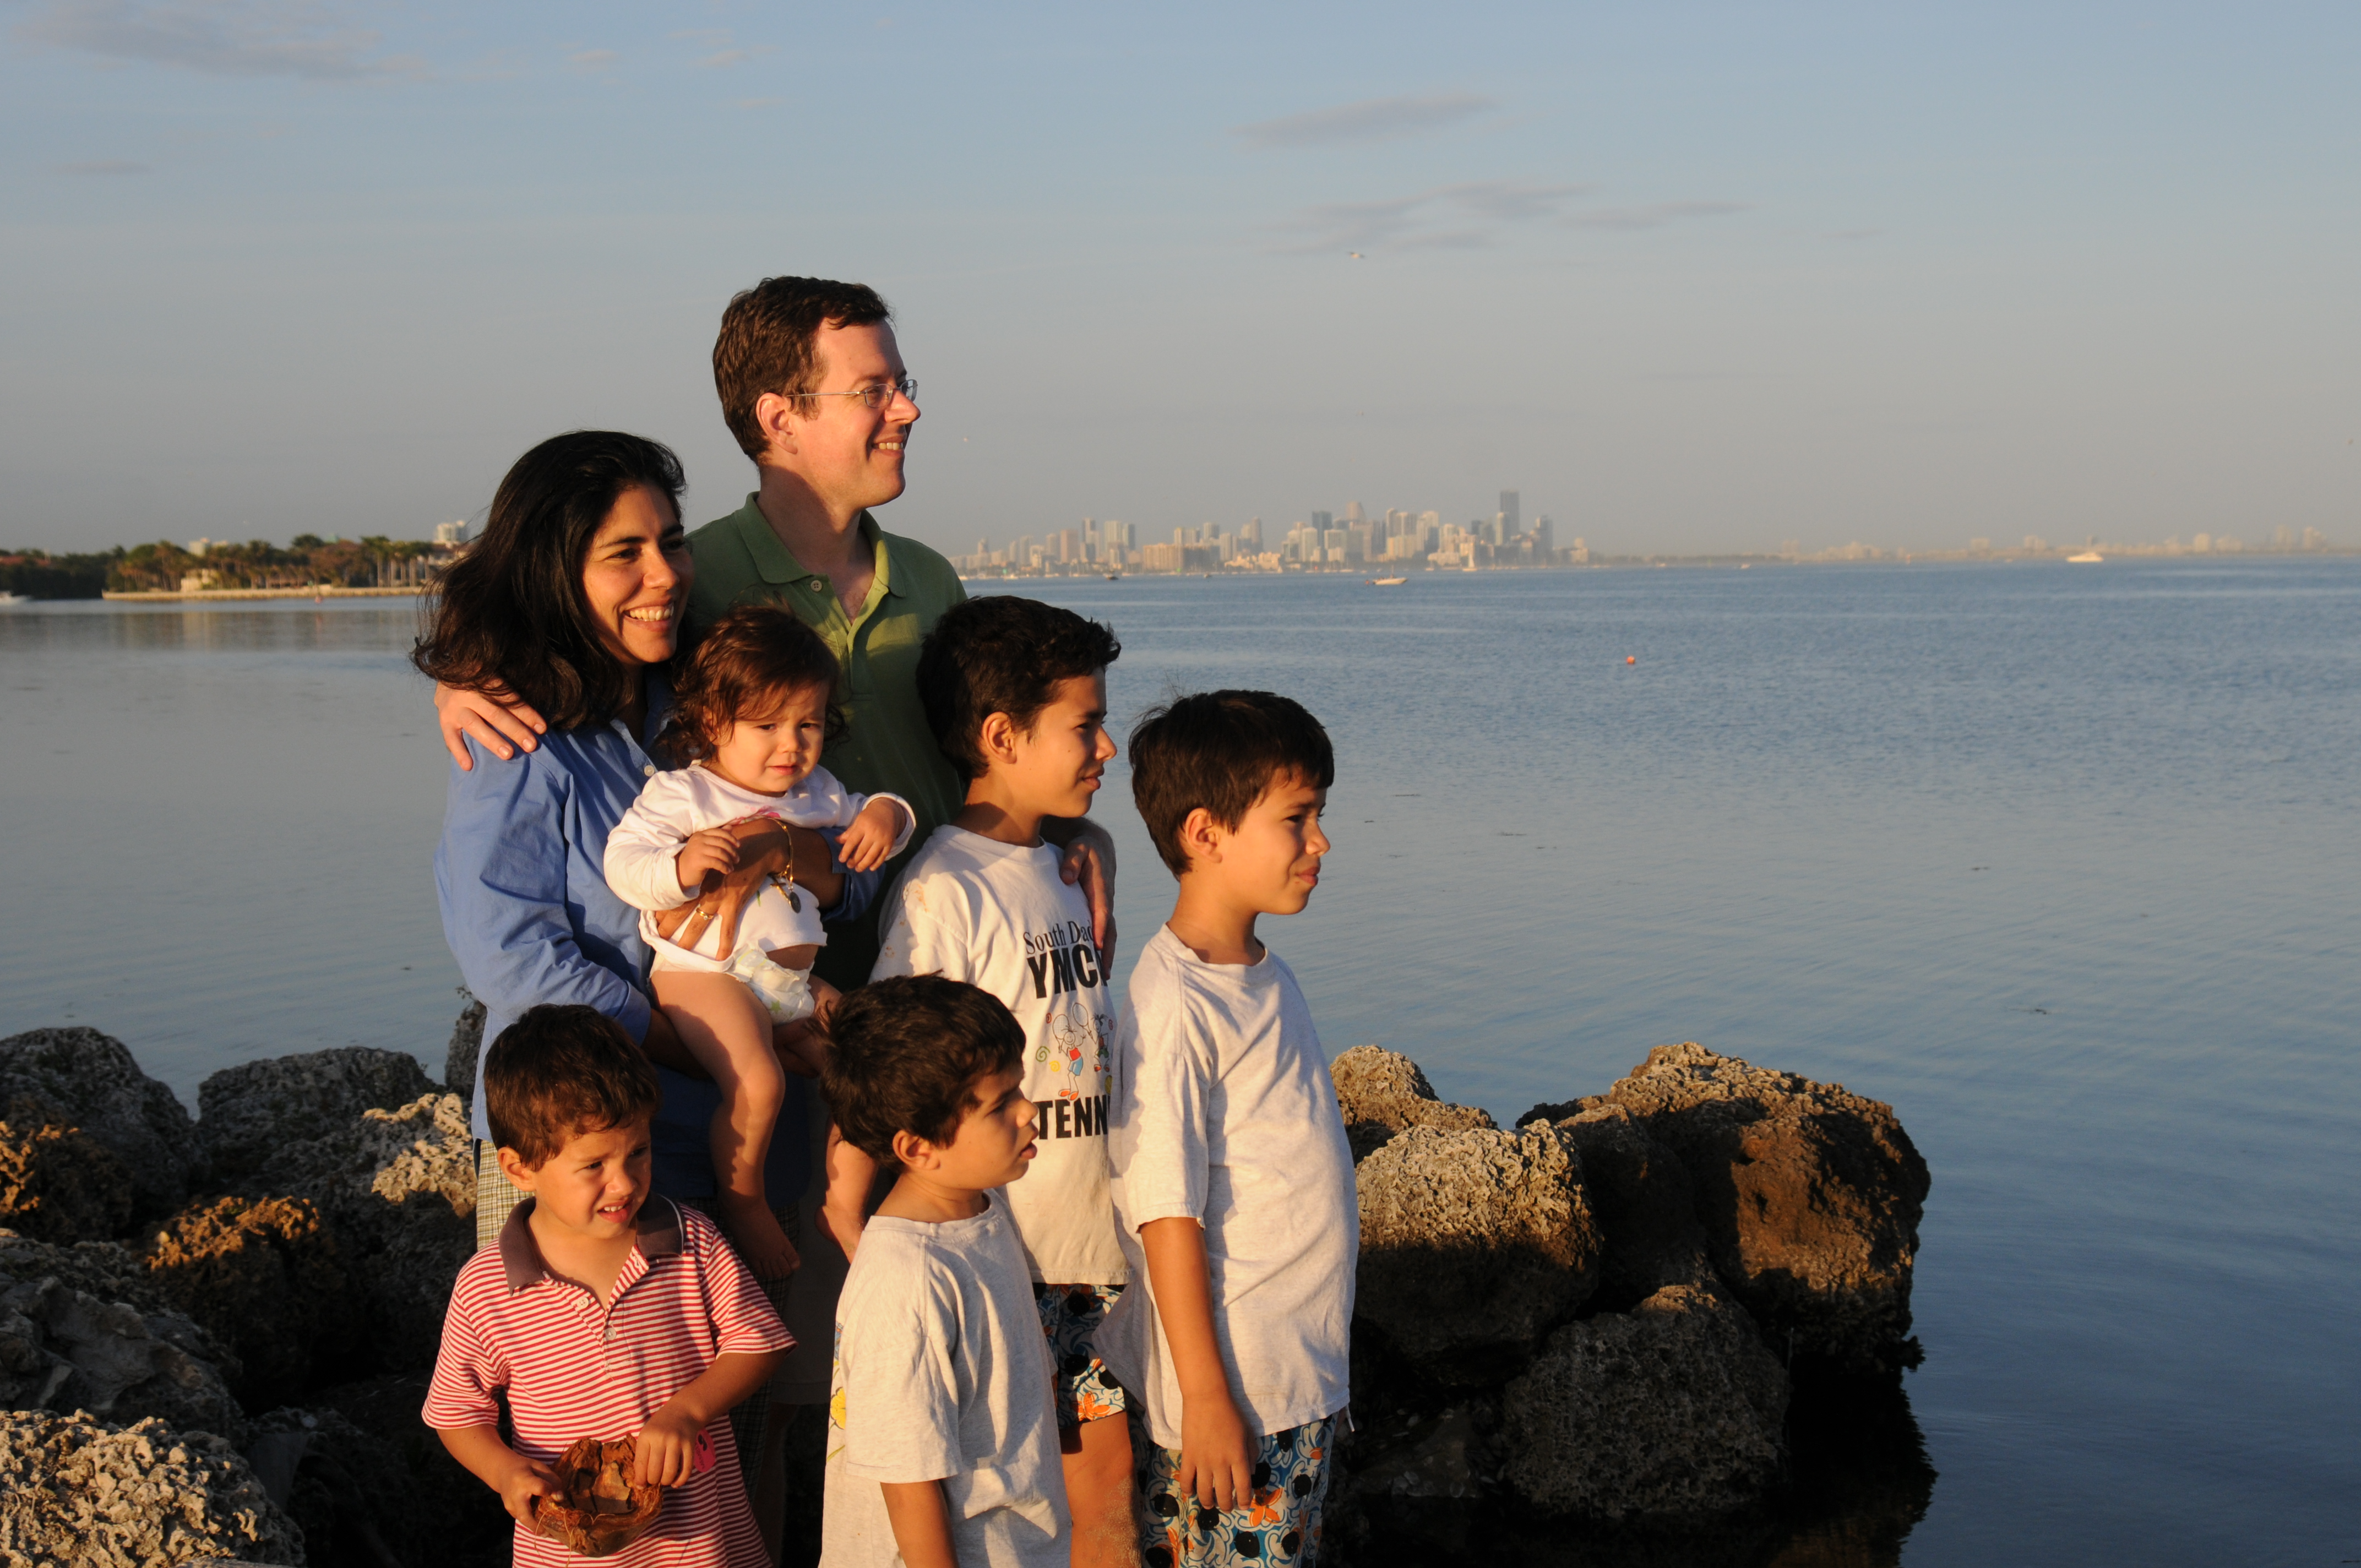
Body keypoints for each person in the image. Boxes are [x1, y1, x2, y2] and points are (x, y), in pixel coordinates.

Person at [419, 431, 865, 1249]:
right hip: (579, 1156)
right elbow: (508, 955)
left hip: (746, 1148)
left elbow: (850, 871)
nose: (664, 574)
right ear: (555, 572)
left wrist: (779, 853)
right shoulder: (517, 735)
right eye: (625, 553)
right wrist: (692, 1039)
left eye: (671, 542)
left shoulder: (717, 703)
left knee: (750, 1336)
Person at [865, 595, 1136, 1565]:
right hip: (1017, 1251)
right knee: (1058, 1498)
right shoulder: (945, 890)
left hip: (1093, 1239)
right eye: (1084, 725)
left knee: (1102, 1492)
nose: (1105, 747)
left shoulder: (1062, 864)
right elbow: (893, 1060)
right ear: (1001, 736)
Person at [1096, 693, 1358, 1568]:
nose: (1321, 842)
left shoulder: (1263, 974)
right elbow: (1165, 1212)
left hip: (1293, 1372)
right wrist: (1206, 1397)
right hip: (1237, 1394)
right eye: (1297, 818)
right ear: (1206, 833)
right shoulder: (1177, 1003)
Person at [604, 603, 914, 1282]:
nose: (791, 745)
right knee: (759, 1080)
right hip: (704, 977)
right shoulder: (685, 794)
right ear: (714, 723)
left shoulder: (815, 792)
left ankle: (844, 1203)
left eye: (808, 724)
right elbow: (622, 863)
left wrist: (889, 813)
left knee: (863, 1067)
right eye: (767, 725)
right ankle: (745, 1201)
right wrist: (680, 868)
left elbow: (874, 816)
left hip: (787, 984)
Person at [425, 1004, 792, 1568]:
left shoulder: (689, 1241)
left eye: (638, 1152)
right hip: (569, 1550)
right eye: (594, 1165)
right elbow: (457, 1412)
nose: (624, 1183)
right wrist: (504, 1471)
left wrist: (688, 1411)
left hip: (699, 1544)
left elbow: (760, 1342)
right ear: (519, 1169)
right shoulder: (488, 1286)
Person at [818, 975, 1071, 1568]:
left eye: (1019, 1088)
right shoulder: (905, 1280)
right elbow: (908, 1483)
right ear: (917, 1148)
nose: (1028, 1110)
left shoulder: (983, 1208)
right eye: (1000, 1104)